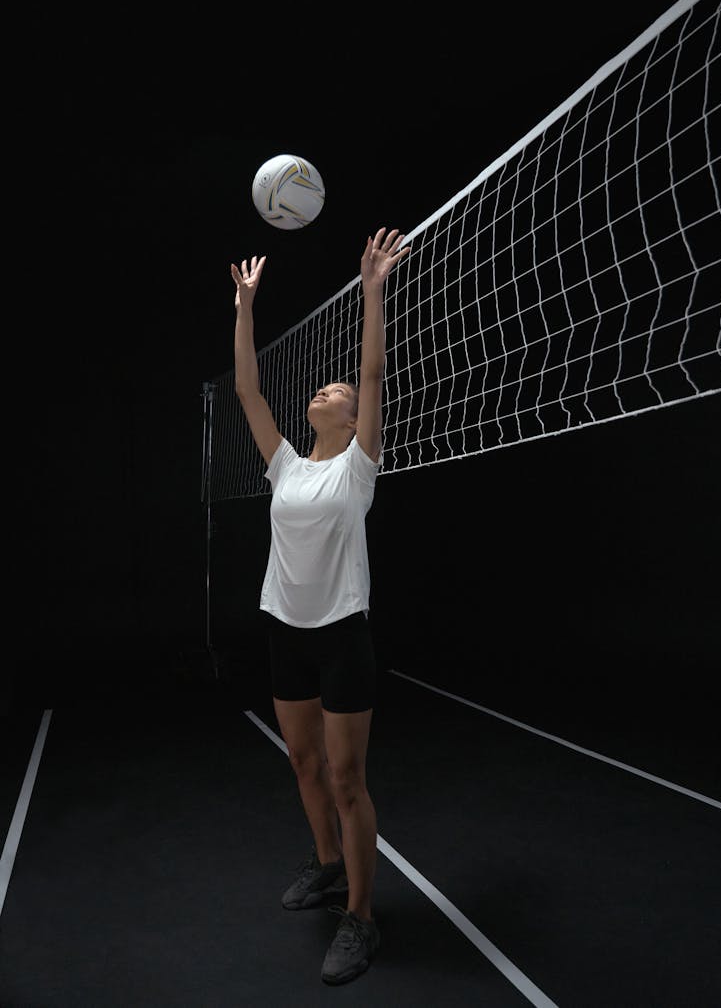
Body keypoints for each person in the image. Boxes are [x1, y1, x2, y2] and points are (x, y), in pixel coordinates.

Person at [230, 226, 409, 986]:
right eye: (324, 389)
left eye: (333, 392)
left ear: (347, 417)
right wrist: (245, 307)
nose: (327, 390)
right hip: (285, 631)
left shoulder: (358, 468)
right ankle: (329, 864)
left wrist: (373, 291)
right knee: (302, 763)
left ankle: (361, 918)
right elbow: (248, 389)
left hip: (341, 637)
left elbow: (371, 374)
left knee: (346, 779)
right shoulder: (286, 466)